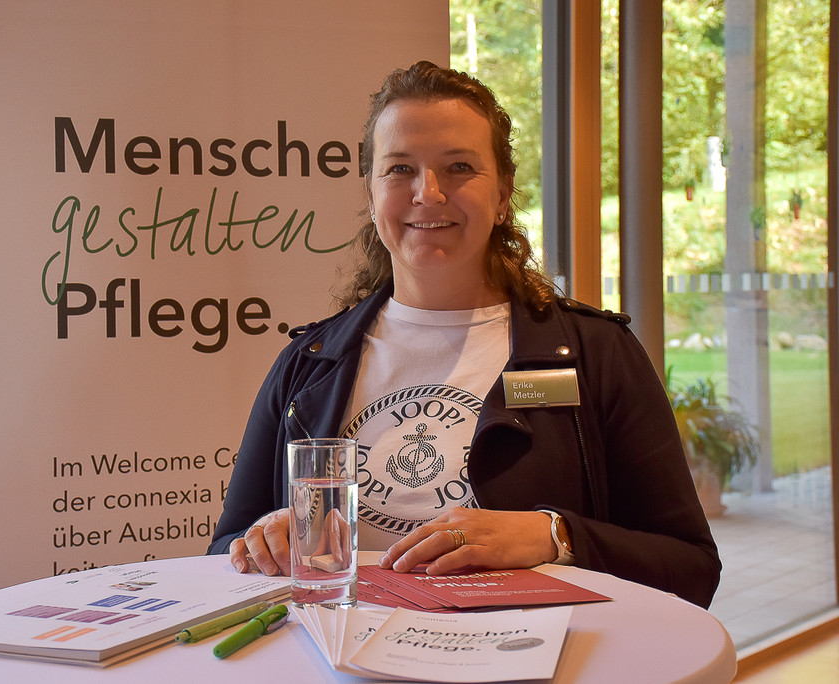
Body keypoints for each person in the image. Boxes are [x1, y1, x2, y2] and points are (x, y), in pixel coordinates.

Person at [208, 60, 721, 609]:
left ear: (502, 195)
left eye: (458, 167)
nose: (428, 193)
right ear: (372, 194)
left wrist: (555, 537)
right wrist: (263, 542)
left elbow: (690, 569)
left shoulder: (596, 354)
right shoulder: (307, 364)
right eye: (400, 169)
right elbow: (221, 555)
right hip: (345, 651)